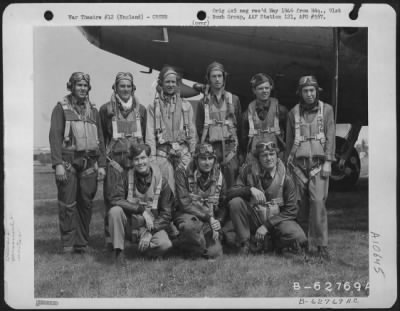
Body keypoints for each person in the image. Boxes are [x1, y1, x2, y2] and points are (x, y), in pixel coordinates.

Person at [49, 72, 106, 254]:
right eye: (79, 85)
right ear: (71, 86)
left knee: (86, 204)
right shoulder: (61, 108)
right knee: (67, 205)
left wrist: (102, 164)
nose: (82, 88)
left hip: (89, 164)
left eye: (85, 85)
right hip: (68, 164)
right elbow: (55, 137)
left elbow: (101, 140)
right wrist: (57, 163)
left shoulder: (93, 110)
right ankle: (68, 244)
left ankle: (82, 243)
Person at [285, 75, 335, 261]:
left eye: (312, 90)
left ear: (317, 91)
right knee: (298, 205)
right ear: (300, 93)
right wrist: (287, 166)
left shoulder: (327, 110)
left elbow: (330, 136)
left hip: (319, 165)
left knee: (318, 203)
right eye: (305, 91)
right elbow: (289, 141)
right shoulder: (293, 113)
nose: (309, 94)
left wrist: (329, 162)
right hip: (298, 166)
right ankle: (301, 242)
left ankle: (321, 245)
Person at [226, 141, 307, 256]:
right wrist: (249, 190)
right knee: (235, 203)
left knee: (299, 237)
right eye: (264, 155)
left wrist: (266, 226)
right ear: (258, 158)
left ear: (276, 155)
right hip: (254, 217)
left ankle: (274, 243)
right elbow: (229, 193)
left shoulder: (287, 177)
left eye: (272, 154)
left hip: (277, 221)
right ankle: (245, 244)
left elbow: (291, 210)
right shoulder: (247, 171)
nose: (268, 158)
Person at [99, 72, 147, 248]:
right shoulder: (105, 110)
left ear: (133, 88)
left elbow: (144, 137)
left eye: (128, 86)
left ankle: (133, 235)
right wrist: (103, 164)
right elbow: (101, 139)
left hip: (135, 164)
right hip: (115, 164)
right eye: (122, 86)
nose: (125, 89)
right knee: (112, 201)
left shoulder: (141, 110)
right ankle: (110, 240)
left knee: (134, 200)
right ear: (115, 87)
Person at [106, 143, 175, 264]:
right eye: (136, 159)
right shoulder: (125, 177)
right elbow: (115, 199)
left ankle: (147, 250)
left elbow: (166, 214)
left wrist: (150, 233)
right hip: (130, 223)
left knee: (165, 244)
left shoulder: (162, 181)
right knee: (114, 211)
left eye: (143, 158)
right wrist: (141, 210)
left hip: (150, 225)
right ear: (132, 162)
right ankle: (118, 251)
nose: (140, 162)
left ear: (149, 158)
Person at [146, 66, 197, 194]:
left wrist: (193, 154)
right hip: (163, 154)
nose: (170, 85)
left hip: (183, 154)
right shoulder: (153, 107)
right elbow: (150, 135)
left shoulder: (186, 106)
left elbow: (191, 133)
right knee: (166, 192)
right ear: (161, 83)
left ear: (177, 84)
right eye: (167, 82)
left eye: (173, 82)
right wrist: (152, 160)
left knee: (186, 191)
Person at [174, 143, 227, 258]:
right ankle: (188, 243)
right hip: (187, 215)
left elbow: (223, 203)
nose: (207, 162)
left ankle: (196, 243)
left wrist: (218, 222)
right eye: (203, 159)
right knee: (189, 227)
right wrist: (209, 218)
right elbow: (184, 204)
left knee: (215, 253)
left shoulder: (219, 175)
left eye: (210, 158)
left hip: (210, 218)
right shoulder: (182, 172)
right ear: (196, 159)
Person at [196, 61, 242, 188]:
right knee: (213, 186)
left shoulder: (234, 100)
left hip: (230, 150)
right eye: (214, 76)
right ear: (209, 79)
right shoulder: (202, 103)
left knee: (232, 185)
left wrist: (240, 152)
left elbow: (240, 127)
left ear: (224, 77)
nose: (217, 79)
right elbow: (200, 128)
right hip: (211, 151)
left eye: (220, 76)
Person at [241, 73, 288, 162]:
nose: (264, 91)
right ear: (254, 90)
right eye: (260, 88)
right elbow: (244, 140)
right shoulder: (247, 114)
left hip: (277, 157)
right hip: (255, 157)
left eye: (267, 88)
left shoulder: (281, 110)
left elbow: (288, 136)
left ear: (271, 88)